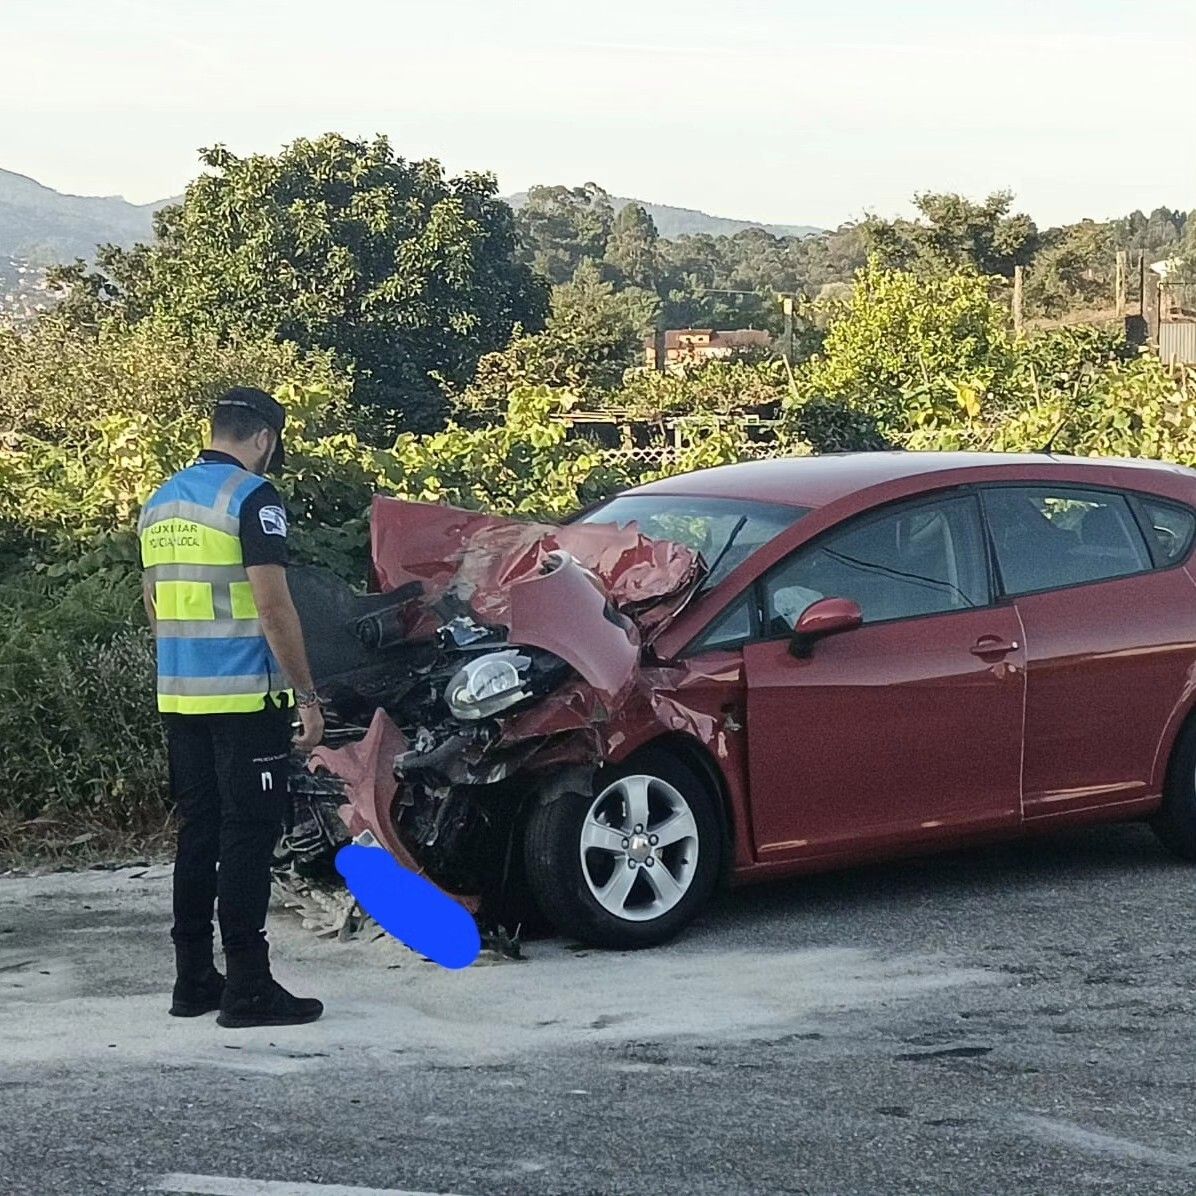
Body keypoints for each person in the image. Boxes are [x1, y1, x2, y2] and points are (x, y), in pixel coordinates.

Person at [138, 386, 325, 1029]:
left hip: (181, 694)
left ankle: (194, 979)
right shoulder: (252, 498)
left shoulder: (159, 502)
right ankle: (249, 986)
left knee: (199, 831)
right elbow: (274, 608)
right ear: (265, 439)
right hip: (246, 698)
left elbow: (155, 603)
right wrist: (307, 696)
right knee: (250, 834)